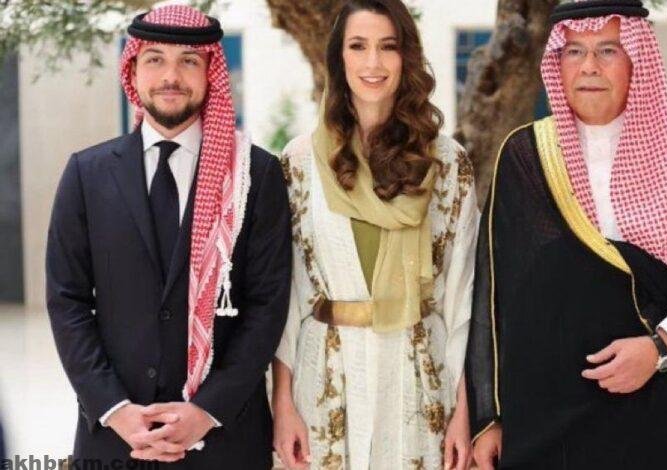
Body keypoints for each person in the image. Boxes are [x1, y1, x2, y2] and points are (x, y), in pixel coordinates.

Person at [466, 1, 667, 469]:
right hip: (556, 416)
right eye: (574, 51)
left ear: (635, 61)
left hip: (666, 405)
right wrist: (490, 417)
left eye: (607, 50)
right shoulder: (526, 154)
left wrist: (661, 347)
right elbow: (496, 294)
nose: (589, 66)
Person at [46, 5, 291, 468]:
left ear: (210, 73)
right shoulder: (86, 173)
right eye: (155, 59)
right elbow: (67, 302)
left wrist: (206, 411)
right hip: (115, 439)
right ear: (133, 70)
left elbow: (268, 306)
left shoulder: (256, 175)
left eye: (188, 61)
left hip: (225, 440)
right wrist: (115, 410)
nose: (170, 76)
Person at [271, 0, 479, 468]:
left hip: (419, 380)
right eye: (358, 46)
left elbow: (461, 297)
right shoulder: (300, 162)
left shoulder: (446, 163)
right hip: (324, 381)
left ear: (406, 57)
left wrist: (464, 412)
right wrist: (282, 405)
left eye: (388, 46)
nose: (373, 63)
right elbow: (287, 296)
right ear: (338, 58)